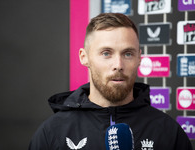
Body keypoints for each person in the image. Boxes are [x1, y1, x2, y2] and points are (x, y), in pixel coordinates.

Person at [29, 13, 192, 150]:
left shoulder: (168, 132)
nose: (118, 65)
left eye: (128, 53)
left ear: (139, 58)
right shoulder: (52, 133)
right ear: (84, 57)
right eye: (106, 53)